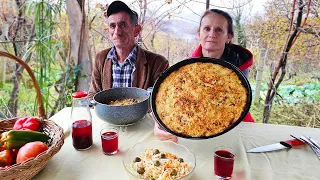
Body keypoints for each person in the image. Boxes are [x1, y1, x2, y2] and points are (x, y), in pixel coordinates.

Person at [154, 9, 254, 142]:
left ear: (228, 36)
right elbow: (168, 103)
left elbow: (238, 104)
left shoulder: (238, 67)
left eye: (219, 30)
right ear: (199, 33)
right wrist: (160, 122)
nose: (212, 34)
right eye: (207, 28)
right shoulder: (183, 71)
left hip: (237, 129)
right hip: (195, 132)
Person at [88, 1, 169, 99]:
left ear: (137, 30)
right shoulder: (100, 59)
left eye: (123, 25)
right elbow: (93, 96)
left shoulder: (158, 63)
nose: (117, 32)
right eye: (112, 26)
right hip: (107, 115)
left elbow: (162, 100)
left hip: (142, 115)